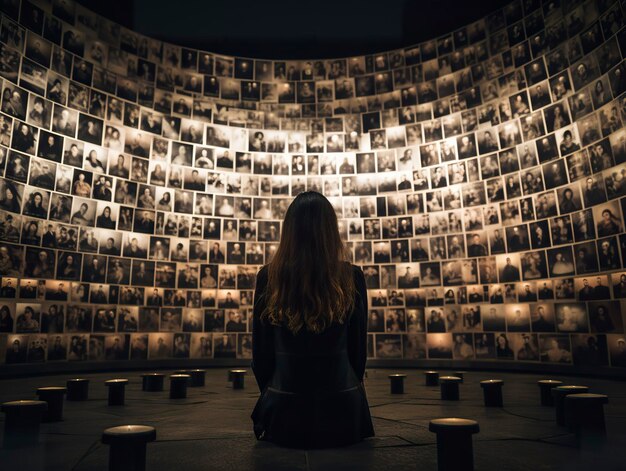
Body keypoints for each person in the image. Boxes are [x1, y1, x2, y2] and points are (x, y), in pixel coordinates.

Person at [251, 191, 374, 448]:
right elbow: (357, 353)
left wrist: (272, 394)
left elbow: (262, 355)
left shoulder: (269, 277)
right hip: (343, 411)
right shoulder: (351, 276)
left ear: (289, 232)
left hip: (283, 410)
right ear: (330, 230)